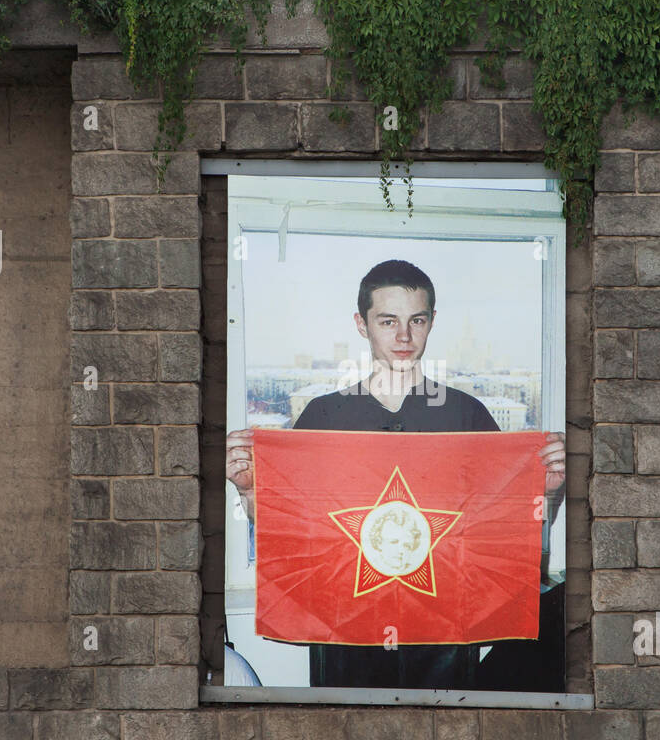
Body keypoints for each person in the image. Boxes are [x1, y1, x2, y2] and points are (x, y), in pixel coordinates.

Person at [226, 259, 566, 689]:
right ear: (361, 324)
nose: (404, 337)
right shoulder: (323, 416)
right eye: (388, 321)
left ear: (431, 322)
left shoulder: (467, 416)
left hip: (444, 634)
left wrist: (545, 493)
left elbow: (501, 534)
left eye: (416, 320)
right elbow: (292, 531)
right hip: (346, 632)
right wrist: (249, 491)